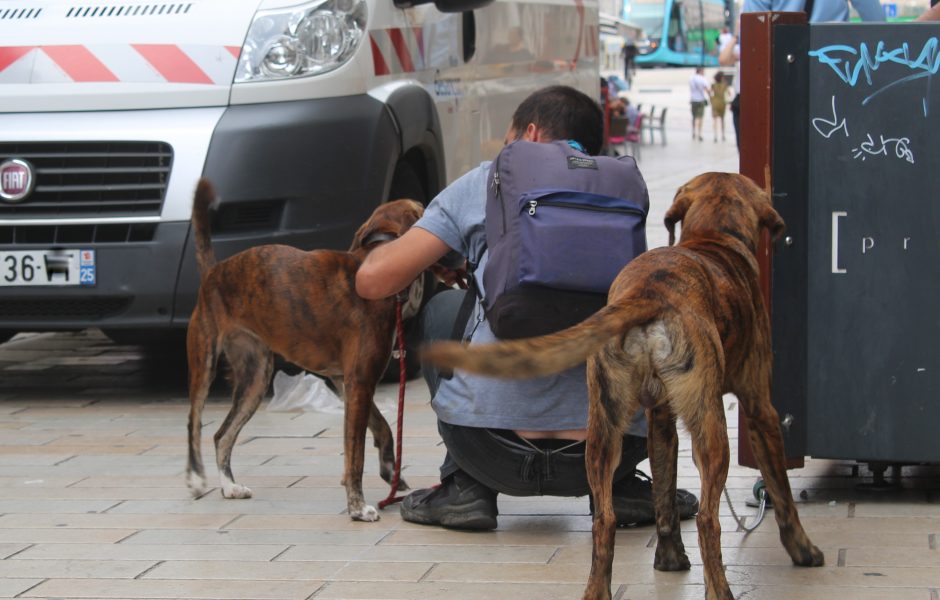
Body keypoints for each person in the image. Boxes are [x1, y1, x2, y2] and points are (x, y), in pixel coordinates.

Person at [356, 86, 698, 531]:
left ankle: (465, 488)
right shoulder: (621, 185)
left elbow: (372, 281)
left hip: (491, 451)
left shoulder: (485, 178)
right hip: (608, 450)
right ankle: (622, 488)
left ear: (529, 135)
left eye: (507, 142)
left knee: (445, 309)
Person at [710, 71, 732, 142]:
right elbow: (729, 94)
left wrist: (711, 99)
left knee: (715, 120)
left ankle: (715, 136)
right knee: (722, 120)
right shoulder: (725, 85)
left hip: (715, 103)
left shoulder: (713, 85)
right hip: (722, 103)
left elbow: (710, 93)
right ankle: (723, 135)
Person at [689, 67, 709, 142]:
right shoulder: (702, 79)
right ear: (701, 71)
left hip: (693, 100)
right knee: (700, 117)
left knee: (694, 117)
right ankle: (699, 133)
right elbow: (707, 89)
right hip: (700, 100)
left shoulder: (691, 78)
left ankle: (693, 131)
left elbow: (691, 89)